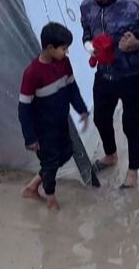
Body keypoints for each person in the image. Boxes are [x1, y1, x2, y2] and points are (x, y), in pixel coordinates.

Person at [80, 0, 139, 189]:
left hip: (131, 74)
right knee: (100, 117)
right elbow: (86, 32)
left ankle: (134, 170)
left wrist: (136, 43)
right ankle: (111, 155)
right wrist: (90, 46)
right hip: (105, 73)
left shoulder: (130, 7)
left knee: (131, 124)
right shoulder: (86, 7)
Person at [19, 22, 90, 210]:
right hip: (43, 129)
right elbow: (23, 108)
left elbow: (71, 88)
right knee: (50, 163)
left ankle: (33, 186)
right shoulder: (32, 73)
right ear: (50, 48)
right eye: (64, 48)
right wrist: (30, 138)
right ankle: (50, 199)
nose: (66, 53)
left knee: (66, 153)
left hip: (61, 123)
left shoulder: (64, 63)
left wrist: (81, 109)